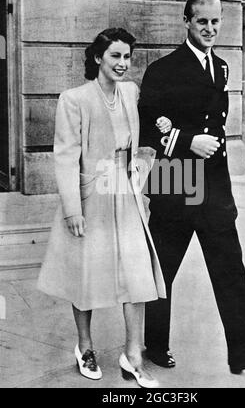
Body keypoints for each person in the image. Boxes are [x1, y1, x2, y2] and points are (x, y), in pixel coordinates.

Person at [138, 0, 245, 374]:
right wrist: (187, 141)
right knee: (162, 269)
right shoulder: (163, 69)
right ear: (187, 21)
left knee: (230, 268)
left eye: (216, 22)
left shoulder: (220, 67)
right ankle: (155, 345)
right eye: (202, 21)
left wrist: (225, 194)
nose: (210, 29)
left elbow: (215, 126)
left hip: (213, 189)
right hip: (176, 182)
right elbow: (150, 124)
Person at [37, 28, 168, 388]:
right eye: (115, 56)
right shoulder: (74, 99)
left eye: (127, 57)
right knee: (86, 277)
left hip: (124, 191)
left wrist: (141, 186)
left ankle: (133, 355)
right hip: (91, 195)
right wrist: (71, 209)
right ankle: (85, 346)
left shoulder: (130, 92)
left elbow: (141, 144)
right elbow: (65, 157)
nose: (123, 64)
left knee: (138, 274)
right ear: (98, 58)